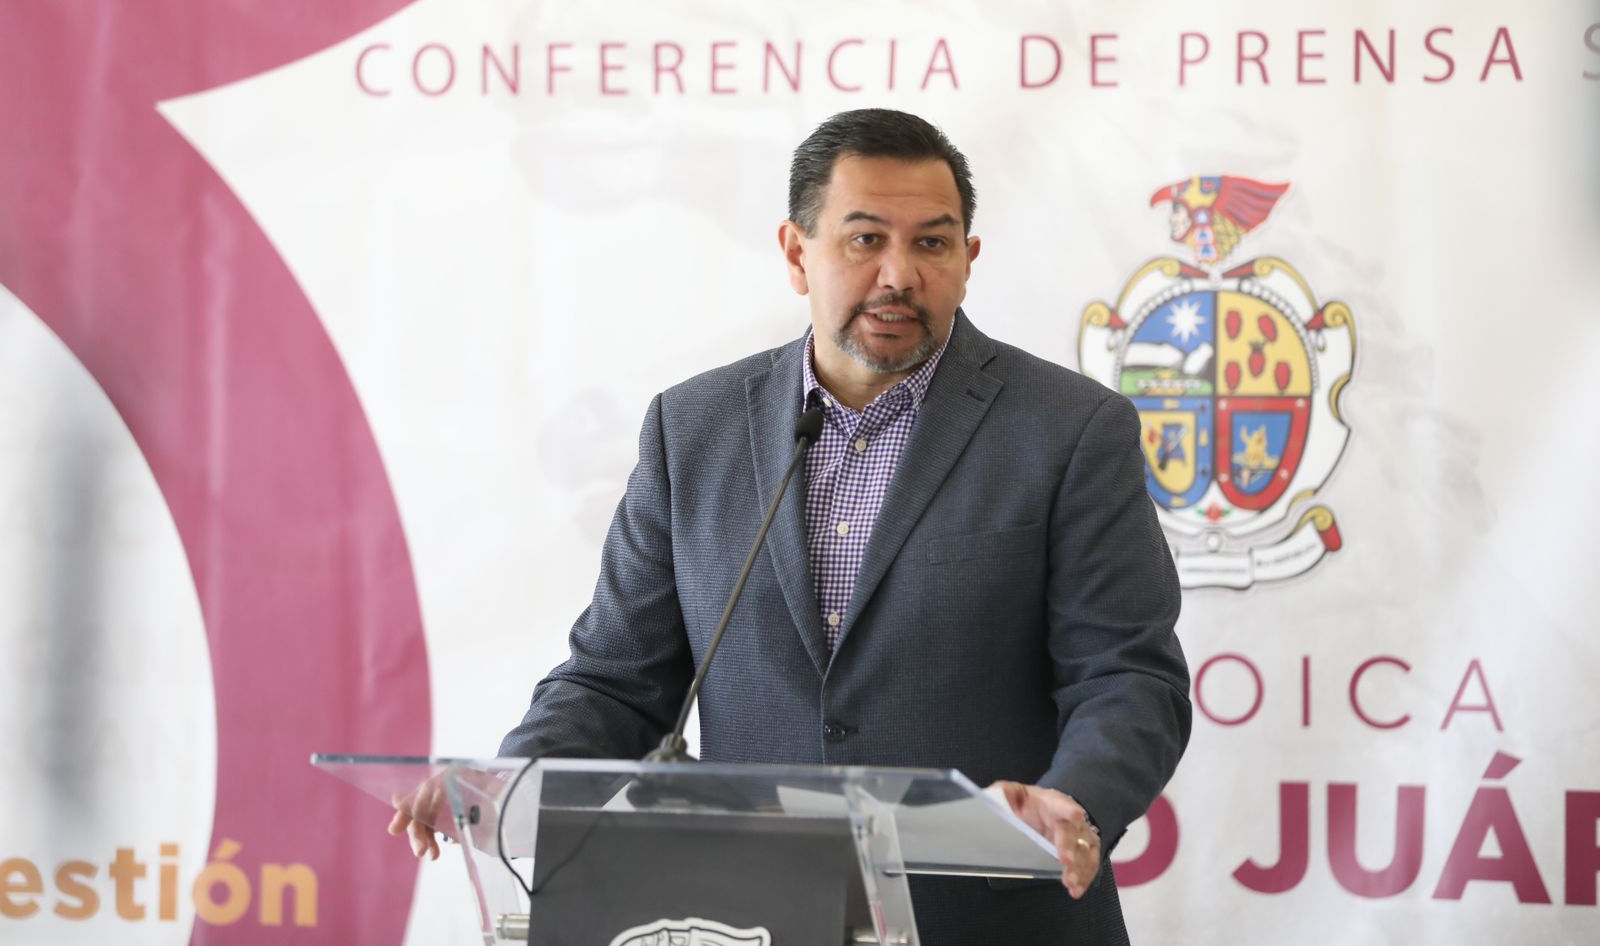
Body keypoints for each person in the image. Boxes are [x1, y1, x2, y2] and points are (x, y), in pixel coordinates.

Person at [393, 108, 1190, 944]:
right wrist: (505, 782)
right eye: (864, 239)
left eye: (931, 243)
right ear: (794, 252)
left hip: (995, 917)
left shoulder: (1069, 429)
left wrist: (1073, 799)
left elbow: (1128, 675)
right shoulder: (692, 430)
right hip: (746, 916)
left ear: (968, 260)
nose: (898, 274)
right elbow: (615, 682)